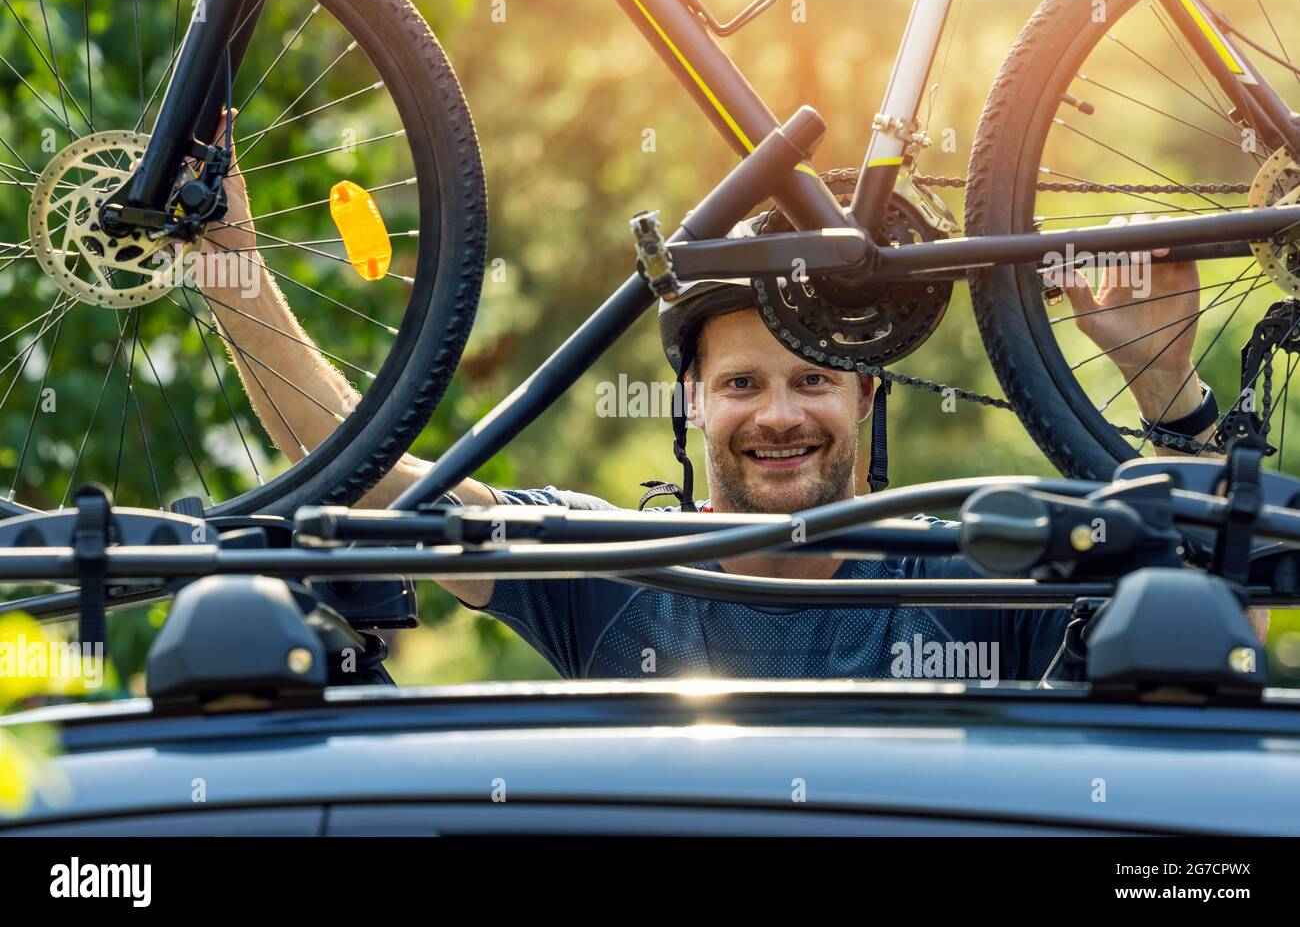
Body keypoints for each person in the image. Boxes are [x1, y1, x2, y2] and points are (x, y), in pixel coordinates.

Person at [194, 113, 1268, 680]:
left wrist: (1162, 384)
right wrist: (231, 272)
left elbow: (1214, 582)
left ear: (865, 401)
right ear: (692, 407)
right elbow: (371, 478)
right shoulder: (610, 571)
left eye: (812, 380)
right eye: (741, 383)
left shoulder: (970, 570)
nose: (779, 414)